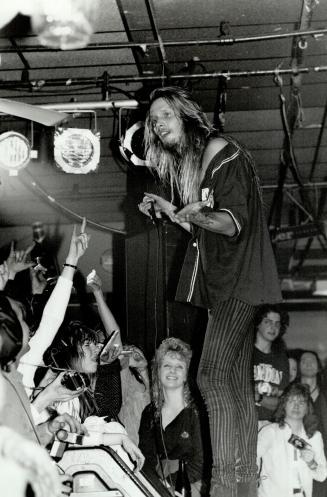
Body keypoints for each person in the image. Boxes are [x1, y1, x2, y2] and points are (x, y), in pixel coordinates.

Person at [138, 86, 282, 497]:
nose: (158, 123)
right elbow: (205, 230)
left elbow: (232, 223)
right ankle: (242, 487)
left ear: (185, 115)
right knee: (233, 385)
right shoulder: (198, 167)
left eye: (164, 114)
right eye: (153, 120)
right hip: (224, 287)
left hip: (239, 281)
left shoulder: (220, 150)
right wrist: (174, 212)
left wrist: (197, 212)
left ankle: (224, 485)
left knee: (211, 375)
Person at [138, 337, 207, 497]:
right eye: (167, 365)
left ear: (186, 375)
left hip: (192, 484)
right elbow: (146, 458)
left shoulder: (197, 412)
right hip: (158, 483)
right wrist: (155, 485)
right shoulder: (149, 412)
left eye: (179, 367)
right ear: (158, 371)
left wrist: (170, 483)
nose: (172, 371)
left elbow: (200, 462)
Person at [257, 383, 327, 497]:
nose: (296, 406)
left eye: (301, 402)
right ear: (284, 404)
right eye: (292, 401)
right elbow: (252, 459)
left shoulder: (314, 437)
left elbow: (322, 475)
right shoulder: (270, 431)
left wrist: (311, 463)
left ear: (307, 408)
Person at [253, 304, 290, 427]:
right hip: (246, 423)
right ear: (258, 323)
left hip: (273, 424)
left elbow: (282, 402)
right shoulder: (244, 355)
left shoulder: (282, 359)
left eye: (277, 323)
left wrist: (258, 398)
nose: (273, 327)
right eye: (268, 322)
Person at [298, 350, 327, 497]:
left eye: (312, 361)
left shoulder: (325, 393)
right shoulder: (292, 395)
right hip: (300, 451)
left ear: (319, 367)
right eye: (304, 361)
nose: (308, 364)